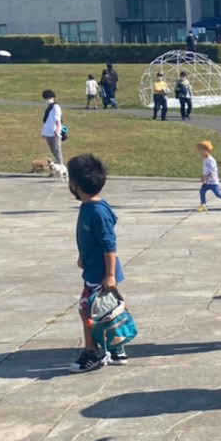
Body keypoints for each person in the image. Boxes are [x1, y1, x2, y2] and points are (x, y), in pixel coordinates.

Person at [67, 153, 125, 373]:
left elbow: (109, 244)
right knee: (108, 310)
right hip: (95, 268)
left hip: (100, 274)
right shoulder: (92, 206)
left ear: (75, 184)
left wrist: (109, 275)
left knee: (87, 311)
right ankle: (117, 349)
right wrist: (83, 254)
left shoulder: (97, 212)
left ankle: (93, 353)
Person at [197, 140, 221, 211]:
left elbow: (212, 171)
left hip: (212, 181)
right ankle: (203, 204)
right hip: (206, 182)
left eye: (201, 150)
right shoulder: (205, 159)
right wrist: (204, 177)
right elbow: (206, 170)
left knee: (218, 194)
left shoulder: (211, 160)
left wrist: (206, 177)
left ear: (207, 150)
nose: (200, 152)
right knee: (202, 191)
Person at [41, 89, 64, 169]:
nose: (47, 100)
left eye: (48, 98)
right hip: (48, 132)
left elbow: (58, 120)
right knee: (53, 150)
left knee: (57, 150)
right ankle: (57, 166)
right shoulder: (49, 107)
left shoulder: (56, 107)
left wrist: (57, 130)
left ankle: (61, 166)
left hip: (54, 132)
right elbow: (47, 121)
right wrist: (44, 132)